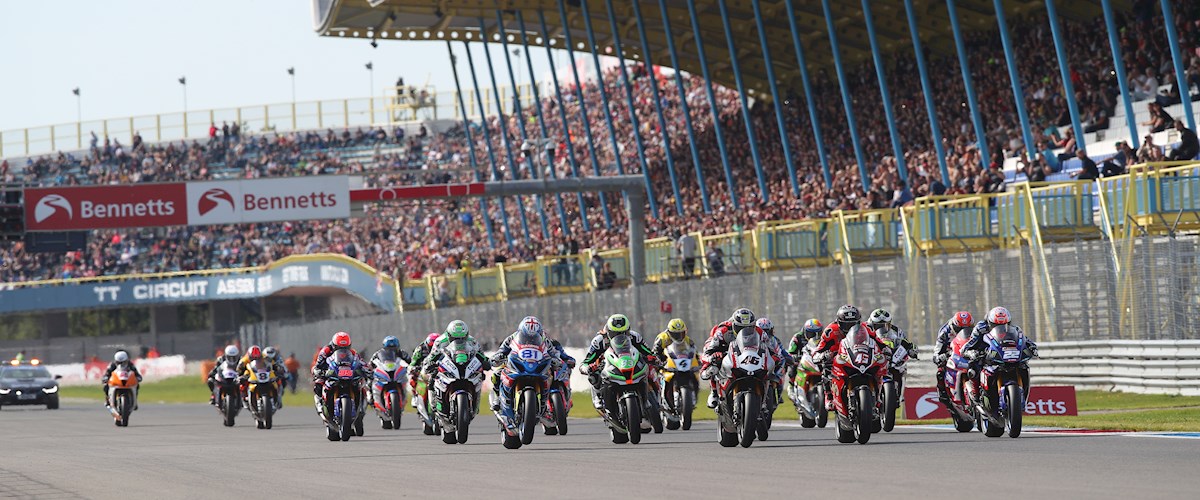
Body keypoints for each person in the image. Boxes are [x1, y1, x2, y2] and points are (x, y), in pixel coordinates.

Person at [580, 314, 656, 411]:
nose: (620, 336)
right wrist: (587, 368)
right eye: (615, 334)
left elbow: (647, 351)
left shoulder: (634, 337)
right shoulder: (599, 341)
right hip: (608, 366)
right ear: (608, 331)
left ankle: (648, 398)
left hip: (629, 363)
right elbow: (587, 360)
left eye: (624, 333)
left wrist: (652, 357)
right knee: (594, 374)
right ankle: (598, 396)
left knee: (648, 368)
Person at [961, 307, 1038, 400]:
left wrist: (1032, 347)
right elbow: (970, 344)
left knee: (1023, 366)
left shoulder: (1015, 329)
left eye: (1005, 324)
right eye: (996, 325)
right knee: (974, 367)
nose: (1001, 328)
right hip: (986, 353)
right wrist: (971, 352)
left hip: (1005, 353)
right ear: (989, 322)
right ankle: (975, 393)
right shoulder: (980, 328)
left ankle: (1022, 393)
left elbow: (1025, 340)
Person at [422, 321, 491, 412]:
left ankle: (475, 403)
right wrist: (429, 364)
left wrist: (486, 362)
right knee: (432, 377)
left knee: (480, 376)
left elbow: (480, 354)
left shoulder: (472, 341)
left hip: (465, 365)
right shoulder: (440, 341)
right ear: (449, 335)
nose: (459, 340)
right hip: (448, 364)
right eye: (455, 338)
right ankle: (433, 401)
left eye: (462, 338)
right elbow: (431, 356)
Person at [700, 308, 759, 408]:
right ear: (733, 325)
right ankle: (714, 392)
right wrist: (712, 357)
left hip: (748, 354)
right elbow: (707, 351)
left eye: (749, 328)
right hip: (725, 350)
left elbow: (771, 347)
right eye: (740, 328)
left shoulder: (759, 331)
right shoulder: (722, 331)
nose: (744, 331)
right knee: (714, 364)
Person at [651, 318, 698, 412]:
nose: (679, 336)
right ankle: (656, 401)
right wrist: (659, 362)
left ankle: (693, 398)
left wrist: (697, 360)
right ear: (669, 332)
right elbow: (655, 353)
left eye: (681, 333)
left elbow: (694, 352)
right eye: (676, 334)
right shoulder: (662, 338)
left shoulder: (687, 340)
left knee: (694, 376)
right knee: (654, 377)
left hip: (681, 364)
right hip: (665, 364)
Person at [932, 311, 974, 406]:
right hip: (950, 353)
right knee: (940, 371)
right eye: (960, 329)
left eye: (967, 328)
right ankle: (943, 394)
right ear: (954, 326)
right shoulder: (945, 332)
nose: (963, 331)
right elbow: (937, 350)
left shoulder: (975, 330)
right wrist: (939, 357)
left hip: (968, 354)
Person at [755, 317, 790, 405]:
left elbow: (782, 351)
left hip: (772, 362)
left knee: (784, 366)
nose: (765, 334)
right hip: (757, 363)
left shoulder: (775, 340)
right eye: (763, 331)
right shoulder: (752, 339)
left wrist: (790, 358)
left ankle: (779, 392)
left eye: (768, 331)